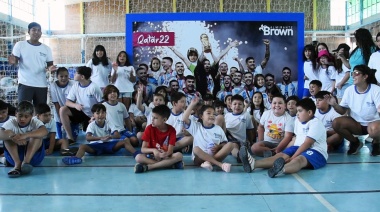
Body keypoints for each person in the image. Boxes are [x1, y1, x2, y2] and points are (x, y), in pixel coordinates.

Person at [239, 98, 328, 178]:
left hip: (316, 151)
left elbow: (307, 143)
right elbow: (295, 140)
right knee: (280, 156)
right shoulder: (297, 121)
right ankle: (254, 164)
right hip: (298, 147)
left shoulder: (316, 123)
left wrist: (292, 157)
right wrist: (284, 151)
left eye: (300, 111)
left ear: (309, 112)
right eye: (297, 111)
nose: (297, 114)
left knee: (299, 159)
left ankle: (281, 169)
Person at [327, 65, 380, 156]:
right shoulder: (349, 90)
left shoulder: (375, 89)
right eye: (352, 73)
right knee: (336, 123)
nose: (353, 76)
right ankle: (355, 142)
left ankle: (377, 142)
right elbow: (342, 111)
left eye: (356, 73)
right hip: (356, 124)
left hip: (373, 123)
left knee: (375, 130)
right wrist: (335, 105)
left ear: (365, 76)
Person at [62, 104, 137, 165]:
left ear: (105, 114)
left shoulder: (109, 123)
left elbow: (117, 135)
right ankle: (77, 158)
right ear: (93, 115)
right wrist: (100, 138)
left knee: (125, 141)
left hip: (109, 144)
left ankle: (137, 154)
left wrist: (110, 137)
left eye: (103, 112)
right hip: (96, 145)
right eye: (98, 113)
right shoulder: (91, 125)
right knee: (82, 146)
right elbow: (88, 138)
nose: (100, 115)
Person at [7, 22, 57, 107]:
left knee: (40, 111)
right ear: (28, 31)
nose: (36, 32)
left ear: (41, 33)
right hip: (25, 84)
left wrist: (51, 69)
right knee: (24, 110)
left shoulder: (46, 49)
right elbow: (15, 61)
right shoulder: (20, 45)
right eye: (34, 30)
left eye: (39, 30)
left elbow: (50, 65)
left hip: (41, 84)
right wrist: (12, 61)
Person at [183, 97, 233, 172]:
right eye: (208, 113)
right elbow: (184, 118)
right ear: (201, 116)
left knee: (230, 144)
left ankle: (209, 163)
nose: (212, 115)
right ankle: (220, 165)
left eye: (214, 114)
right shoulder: (196, 127)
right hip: (200, 159)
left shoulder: (218, 129)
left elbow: (224, 144)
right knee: (196, 149)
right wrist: (192, 104)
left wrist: (218, 146)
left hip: (215, 155)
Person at [0, 101, 48, 177]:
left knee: (36, 135)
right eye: (20, 116)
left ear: (32, 116)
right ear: (16, 114)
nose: (22, 119)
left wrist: (25, 135)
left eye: (26, 116)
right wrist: (13, 137)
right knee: (8, 134)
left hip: (34, 158)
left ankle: (26, 163)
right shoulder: (11, 122)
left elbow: (44, 131)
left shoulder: (35, 122)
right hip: (14, 157)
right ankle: (17, 164)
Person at [59, 66, 103, 144]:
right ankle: (70, 138)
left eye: (76, 73)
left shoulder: (94, 87)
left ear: (82, 77)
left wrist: (95, 116)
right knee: (63, 110)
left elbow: (102, 104)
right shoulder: (76, 85)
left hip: (92, 115)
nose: (74, 74)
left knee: (89, 138)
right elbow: (67, 102)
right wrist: (75, 105)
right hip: (81, 112)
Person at [134, 105, 184, 173]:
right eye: (152, 117)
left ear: (164, 120)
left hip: (165, 157)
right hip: (151, 156)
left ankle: (149, 167)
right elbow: (143, 149)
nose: (152, 120)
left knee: (179, 155)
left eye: (155, 118)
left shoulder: (172, 130)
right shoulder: (149, 128)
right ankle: (169, 165)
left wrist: (164, 154)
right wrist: (154, 150)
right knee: (138, 157)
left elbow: (170, 151)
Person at [49, 67, 79, 140]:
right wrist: (61, 119)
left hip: (71, 112)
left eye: (66, 76)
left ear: (68, 75)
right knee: (61, 139)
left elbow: (74, 101)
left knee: (74, 138)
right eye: (61, 76)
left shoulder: (73, 84)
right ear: (57, 77)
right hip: (59, 112)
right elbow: (56, 104)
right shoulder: (53, 86)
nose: (64, 78)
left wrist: (69, 118)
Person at [225, 95, 255, 161]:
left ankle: (241, 155)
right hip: (228, 140)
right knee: (233, 146)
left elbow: (249, 130)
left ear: (243, 106)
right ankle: (240, 156)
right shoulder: (227, 116)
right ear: (230, 106)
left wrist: (251, 142)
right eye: (235, 104)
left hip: (241, 142)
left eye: (240, 104)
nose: (237, 106)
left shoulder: (246, 115)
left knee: (235, 146)